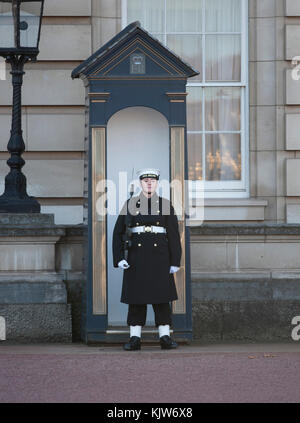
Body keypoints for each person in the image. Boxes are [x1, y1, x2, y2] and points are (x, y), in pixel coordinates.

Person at [112, 168, 182, 350]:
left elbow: (174, 235)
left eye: (152, 180)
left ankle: (165, 337)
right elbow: (118, 233)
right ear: (140, 183)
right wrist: (119, 257)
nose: (149, 183)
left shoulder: (165, 204)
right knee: (136, 299)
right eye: (145, 180)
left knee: (161, 299)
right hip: (136, 256)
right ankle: (135, 338)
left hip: (160, 257)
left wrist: (175, 261)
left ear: (157, 182)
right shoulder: (130, 204)